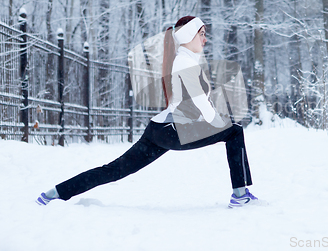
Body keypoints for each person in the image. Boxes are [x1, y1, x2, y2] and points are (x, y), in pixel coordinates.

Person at [36, 16, 257, 208]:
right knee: (234, 131)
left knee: (114, 170)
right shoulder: (184, 62)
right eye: (201, 33)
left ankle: (54, 193)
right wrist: (218, 124)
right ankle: (240, 195)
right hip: (174, 131)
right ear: (189, 35)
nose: (205, 39)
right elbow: (201, 101)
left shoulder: (185, 60)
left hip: (161, 130)